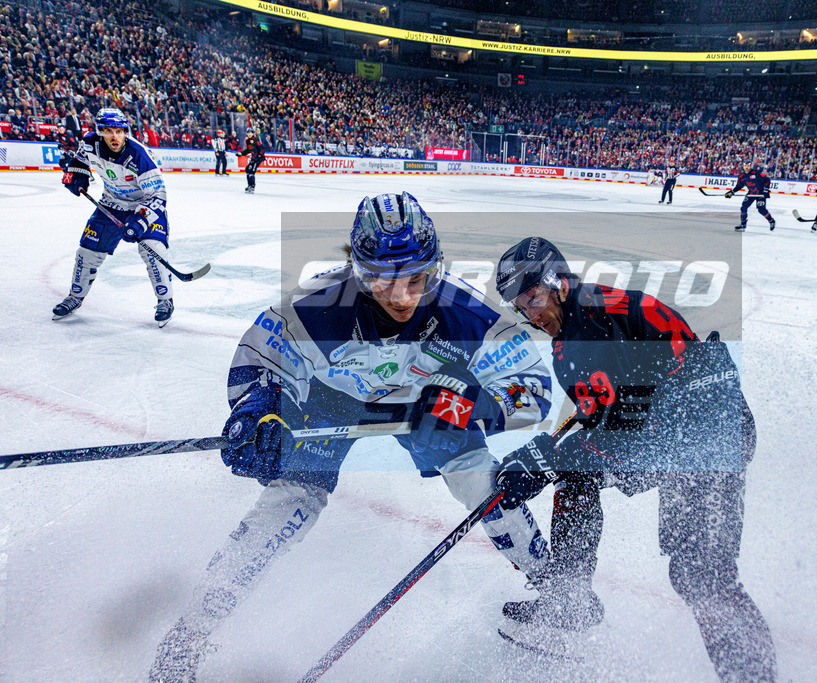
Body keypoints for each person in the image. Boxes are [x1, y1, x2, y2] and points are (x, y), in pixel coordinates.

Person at [148, 192, 554, 681]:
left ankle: (554, 587)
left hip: (428, 401)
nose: (400, 296)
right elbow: (261, 364)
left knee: (479, 480)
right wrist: (258, 412)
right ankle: (192, 630)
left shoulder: (469, 312)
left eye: (415, 278)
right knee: (289, 499)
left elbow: (531, 390)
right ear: (356, 270)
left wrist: (464, 403)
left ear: (435, 265)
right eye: (380, 279)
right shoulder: (316, 307)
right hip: (331, 398)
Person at [491, 237, 778, 681]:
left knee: (701, 576)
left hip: (710, 435)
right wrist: (548, 456)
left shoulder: (609, 318)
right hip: (675, 440)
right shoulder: (570, 341)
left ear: (557, 282)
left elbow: (651, 416)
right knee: (576, 477)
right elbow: (611, 421)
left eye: (532, 298)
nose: (530, 314)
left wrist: (556, 457)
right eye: (520, 305)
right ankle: (569, 602)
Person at [54, 107, 175, 326]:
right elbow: (78, 162)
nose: (115, 136)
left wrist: (139, 222)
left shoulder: (139, 155)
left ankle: (165, 301)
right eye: (108, 131)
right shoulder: (89, 144)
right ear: (100, 131)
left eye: (119, 131)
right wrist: (77, 176)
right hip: (111, 205)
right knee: (86, 252)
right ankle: (75, 297)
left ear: (126, 132)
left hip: (144, 207)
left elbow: (158, 195)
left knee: (154, 252)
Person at [725, 162, 775, 232]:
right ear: (743, 167)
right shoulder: (742, 176)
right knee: (743, 207)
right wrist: (732, 192)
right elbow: (739, 186)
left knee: (761, 210)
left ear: (750, 166)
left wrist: (766, 190)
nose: (746, 167)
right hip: (751, 193)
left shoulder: (756, 173)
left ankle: (771, 221)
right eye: (745, 166)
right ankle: (743, 224)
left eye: (748, 166)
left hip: (760, 193)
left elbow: (767, 180)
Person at [239, 129, 265, 193]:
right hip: (253, 158)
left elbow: (262, 149)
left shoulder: (256, 139)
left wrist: (259, 156)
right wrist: (242, 153)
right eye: (248, 133)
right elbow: (248, 149)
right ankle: (249, 185)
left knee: (252, 171)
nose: (248, 134)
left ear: (252, 133)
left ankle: (252, 186)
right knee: (248, 169)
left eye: (250, 133)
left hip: (258, 158)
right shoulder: (248, 141)